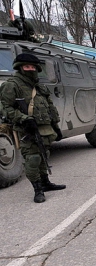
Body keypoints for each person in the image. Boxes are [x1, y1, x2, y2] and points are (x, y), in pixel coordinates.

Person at [0, 53, 65, 203]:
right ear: (20, 68)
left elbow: (49, 107)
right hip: (26, 128)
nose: (30, 69)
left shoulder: (39, 86)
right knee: (33, 158)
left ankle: (46, 183)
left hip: (45, 128)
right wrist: (24, 119)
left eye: (32, 67)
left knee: (44, 154)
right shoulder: (12, 85)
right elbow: (5, 108)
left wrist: (55, 126)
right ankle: (37, 190)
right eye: (26, 67)